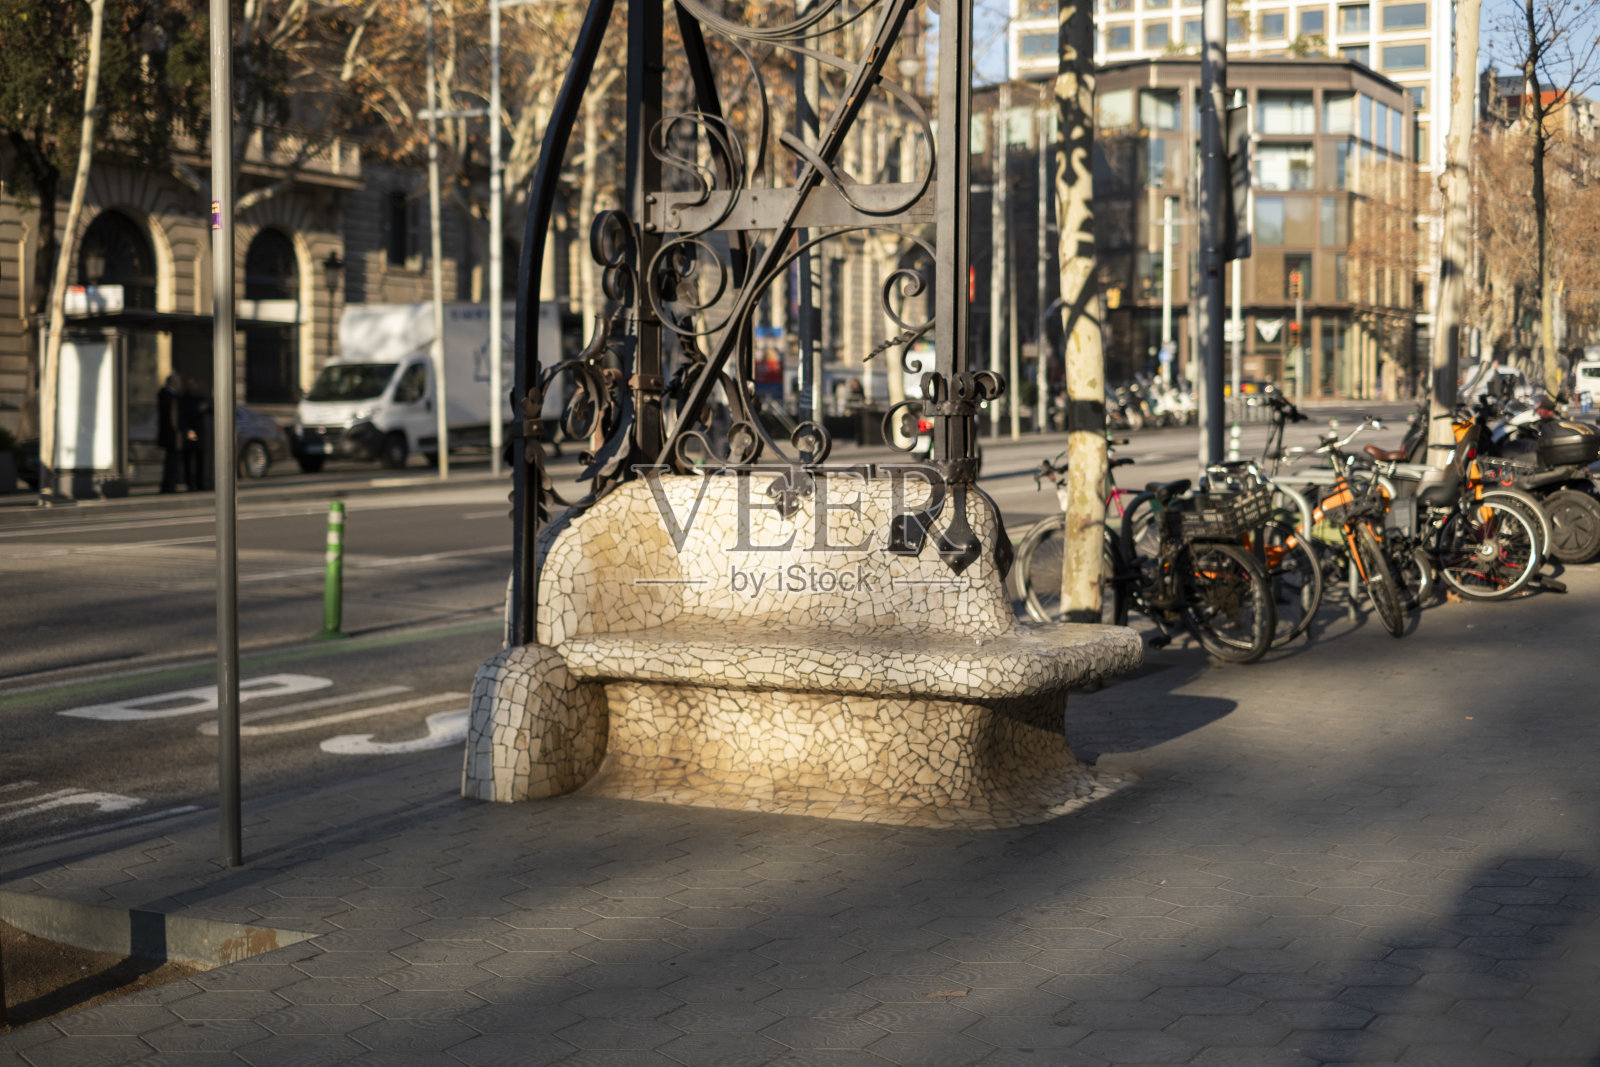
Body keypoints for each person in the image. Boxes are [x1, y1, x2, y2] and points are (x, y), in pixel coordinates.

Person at [180, 376, 212, 491]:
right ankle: (190, 484)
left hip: (199, 431)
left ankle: (200, 483)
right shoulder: (184, 398)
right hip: (189, 431)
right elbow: (181, 417)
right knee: (188, 459)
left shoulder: (200, 397)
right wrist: (187, 431)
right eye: (189, 384)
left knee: (200, 459)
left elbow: (210, 410)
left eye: (193, 384)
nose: (191, 386)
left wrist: (206, 407)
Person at [157, 374, 185, 493]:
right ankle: (169, 485)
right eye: (178, 382)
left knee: (172, 460)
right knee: (171, 461)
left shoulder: (168, 396)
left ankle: (170, 484)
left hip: (170, 434)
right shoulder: (169, 396)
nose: (179, 385)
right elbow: (174, 418)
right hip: (171, 434)